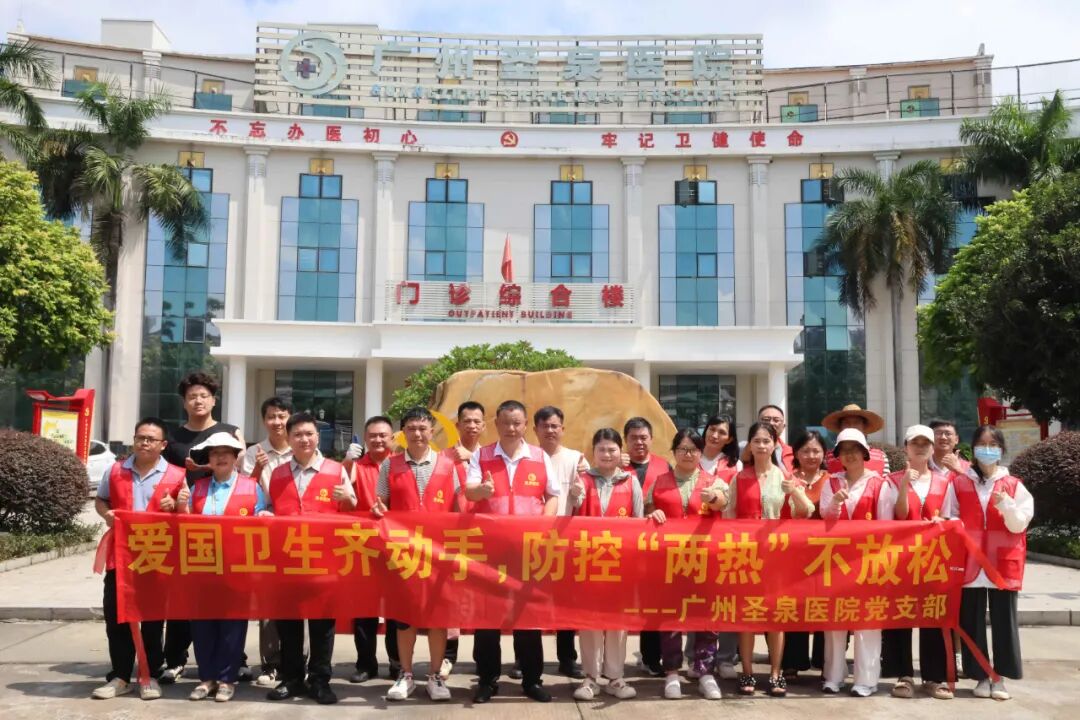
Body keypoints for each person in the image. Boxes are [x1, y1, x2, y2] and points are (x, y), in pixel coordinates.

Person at [465, 400, 560, 704]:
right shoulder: (481, 455)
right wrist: (482, 491)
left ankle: (532, 680)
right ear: (496, 424)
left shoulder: (539, 456)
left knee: (527, 617)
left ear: (525, 425)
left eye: (517, 422)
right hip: (490, 550)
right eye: (505, 422)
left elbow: (553, 495)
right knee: (487, 617)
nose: (511, 428)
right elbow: (468, 490)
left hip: (527, 550)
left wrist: (544, 526)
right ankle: (487, 680)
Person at [91, 417, 186, 701]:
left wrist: (175, 506)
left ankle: (150, 675)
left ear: (163, 445)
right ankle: (121, 676)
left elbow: (187, 513)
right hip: (121, 555)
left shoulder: (176, 475)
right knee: (116, 616)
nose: (144, 443)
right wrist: (106, 514)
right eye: (140, 438)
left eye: (151, 439)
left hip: (156, 555)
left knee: (153, 620)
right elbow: (101, 500)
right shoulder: (116, 470)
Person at [265, 411, 357, 705]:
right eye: (297, 435)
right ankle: (292, 678)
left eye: (309, 434)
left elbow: (352, 511)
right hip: (287, 559)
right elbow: (270, 508)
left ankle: (319, 680)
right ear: (288, 438)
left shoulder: (336, 470)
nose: (304, 439)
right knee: (288, 623)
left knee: (322, 625)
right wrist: (265, 515)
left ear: (318, 437)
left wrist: (348, 500)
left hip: (324, 561)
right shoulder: (278, 473)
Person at [159, 372, 244, 684]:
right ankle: (175, 659)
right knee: (184, 595)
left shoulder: (230, 433)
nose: (198, 401)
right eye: (192, 396)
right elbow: (166, 478)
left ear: (213, 400)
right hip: (188, 524)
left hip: (228, 529)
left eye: (203, 396)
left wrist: (207, 466)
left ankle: (234, 661)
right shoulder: (174, 438)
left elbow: (240, 471)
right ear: (184, 402)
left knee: (229, 597)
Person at [941, 425, 1033, 701]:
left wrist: (1006, 505)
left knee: (1004, 622)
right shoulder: (958, 483)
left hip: (1001, 564)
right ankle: (981, 675)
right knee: (971, 622)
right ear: (973, 449)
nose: (988, 449)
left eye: (993, 444)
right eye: (982, 444)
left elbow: (1019, 525)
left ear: (1001, 450)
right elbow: (949, 517)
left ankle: (1000, 677)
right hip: (970, 563)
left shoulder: (1014, 485)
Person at [373, 407, 457, 702]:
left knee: (437, 617)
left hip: (438, 554)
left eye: (422, 428)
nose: (417, 434)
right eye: (411, 428)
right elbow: (381, 502)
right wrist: (378, 509)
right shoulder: (390, 465)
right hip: (403, 552)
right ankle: (406, 675)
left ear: (432, 431)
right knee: (404, 617)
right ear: (403, 433)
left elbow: (457, 508)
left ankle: (435, 676)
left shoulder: (448, 465)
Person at [644, 428, 730, 700]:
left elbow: (722, 502)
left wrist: (712, 499)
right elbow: (647, 508)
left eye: (693, 449)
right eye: (682, 449)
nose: (688, 454)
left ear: (700, 452)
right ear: (674, 452)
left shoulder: (712, 481)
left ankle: (705, 672)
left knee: (707, 616)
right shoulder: (659, 481)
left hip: (705, 560)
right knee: (670, 615)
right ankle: (671, 672)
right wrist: (653, 512)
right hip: (669, 560)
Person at [183, 432, 268, 702]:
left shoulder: (251, 486)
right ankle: (206, 678)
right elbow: (184, 522)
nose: (220, 457)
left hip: (237, 568)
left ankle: (227, 679)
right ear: (208, 459)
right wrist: (179, 506)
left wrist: (264, 515)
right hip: (202, 566)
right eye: (215, 453)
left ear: (234, 458)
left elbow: (261, 517)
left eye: (226, 453)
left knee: (232, 625)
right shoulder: (197, 488)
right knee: (202, 625)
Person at [819, 428, 896, 697]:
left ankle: (866, 679)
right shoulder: (831, 483)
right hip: (836, 562)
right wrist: (836, 503)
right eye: (844, 450)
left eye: (854, 449)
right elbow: (825, 518)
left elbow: (885, 524)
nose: (849, 455)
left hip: (868, 562)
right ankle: (833, 676)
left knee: (867, 622)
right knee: (835, 621)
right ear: (838, 455)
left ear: (864, 453)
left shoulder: (879, 484)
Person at [568, 428, 643, 701]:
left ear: (620, 451)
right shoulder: (583, 480)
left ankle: (615, 677)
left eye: (612, 449)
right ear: (594, 452)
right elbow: (571, 515)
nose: (607, 454)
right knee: (589, 622)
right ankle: (590, 677)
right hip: (587, 563)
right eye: (601, 449)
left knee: (617, 623)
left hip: (620, 565)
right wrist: (574, 495)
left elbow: (639, 521)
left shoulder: (631, 481)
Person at [881, 424, 955, 700]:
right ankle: (904, 675)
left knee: (933, 615)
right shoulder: (892, 481)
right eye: (915, 443)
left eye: (925, 443)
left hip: (933, 560)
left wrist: (941, 521)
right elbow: (895, 517)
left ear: (933, 448)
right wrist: (904, 486)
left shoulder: (944, 482)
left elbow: (950, 516)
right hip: (902, 560)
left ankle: (934, 677)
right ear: (906, 448)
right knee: (902, 615)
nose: (921, 447)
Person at [726, 422, 800, 697]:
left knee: (775, 617)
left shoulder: (784, 477)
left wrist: (795, 491)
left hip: (777, 556)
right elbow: (728, 515)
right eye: (756, 441)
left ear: (774, 444)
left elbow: (804, 511)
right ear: (749, 445)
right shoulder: (739, 478)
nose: (761, 445)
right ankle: (747, 671)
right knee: (747, 616)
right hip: (745, 556)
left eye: (766, 441)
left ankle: (775, 673)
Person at [239, 396, 293, 689]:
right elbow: (244, 491)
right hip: (265, 533)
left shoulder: (302, 447)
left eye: (282, 415)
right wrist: (258, 469)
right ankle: (271, 663)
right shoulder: (253, 452)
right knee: (269, 600)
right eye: (271, 416)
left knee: (298, 598)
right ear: (264, 420)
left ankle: (297, 663)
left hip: (297, 534)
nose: (277, 422)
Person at [534, 405, 588, 680]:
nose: (550, 430)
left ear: (563, 429)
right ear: (535, 430)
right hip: (532, 541)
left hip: (567, 540)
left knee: (567, 603)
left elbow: (583, 501)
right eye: (545, 426)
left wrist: (578, 492)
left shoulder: (576, 459)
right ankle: (525, 660)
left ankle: (567, 659)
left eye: (555, 426)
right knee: (530, 602)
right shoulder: (528, 457)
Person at [436, 401, 488, 680]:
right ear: (457, 425)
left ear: (484, 425)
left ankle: (484, 658)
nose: (472, 426)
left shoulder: (490, 457)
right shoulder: (442, 458)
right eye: (466, 421)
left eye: (477, 421)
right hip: (452, 536)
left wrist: (472, 458)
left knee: (483, 598)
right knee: (451, 598)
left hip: (484, 537)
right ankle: (448, 657)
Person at [344, 415, 398, 684]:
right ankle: (366, 664)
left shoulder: (400, 465)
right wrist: (347, 463)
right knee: (364, 608)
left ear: (392, 438)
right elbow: (343, 493)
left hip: (396, 544)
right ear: (365, 438)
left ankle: (398, 663)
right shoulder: (356, 466)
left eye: (383, 435)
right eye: (372, 436)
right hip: (362, 544)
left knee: (396, 608)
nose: (378, 440)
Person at [779, 430, 831, 679]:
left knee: (825, 604)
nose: (811, 455)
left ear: (824, 454)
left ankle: (824, 660)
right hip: (793, 554)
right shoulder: (786, 480)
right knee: (794, 603)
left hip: (826, 554)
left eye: (816, 451)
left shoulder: (832, 480)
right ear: (796, 454)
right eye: (805, 451)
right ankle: (792, 660)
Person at [622, 416, 671, 677]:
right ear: (625, 440)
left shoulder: (664, 467)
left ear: (651, 439)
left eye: (643, 437)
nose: (639, 442)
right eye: (633, 438)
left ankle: (651, 657)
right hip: (621, 546)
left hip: (654, 547)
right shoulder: (616, 464)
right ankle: (608, 661)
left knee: (653, 603)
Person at [822, 404, 890, 476]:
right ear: (840, 428)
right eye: (846, 423)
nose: (851, 426)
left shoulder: (880, 457)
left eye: (856, 422)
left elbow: (885, 482)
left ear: (864, 427)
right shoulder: (828, 458)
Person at [755, 405, 795, 471]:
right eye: (766, 420)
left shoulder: (793, 453)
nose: (771, 423)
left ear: (783, 426)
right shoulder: (744, 450)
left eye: (776, 420)